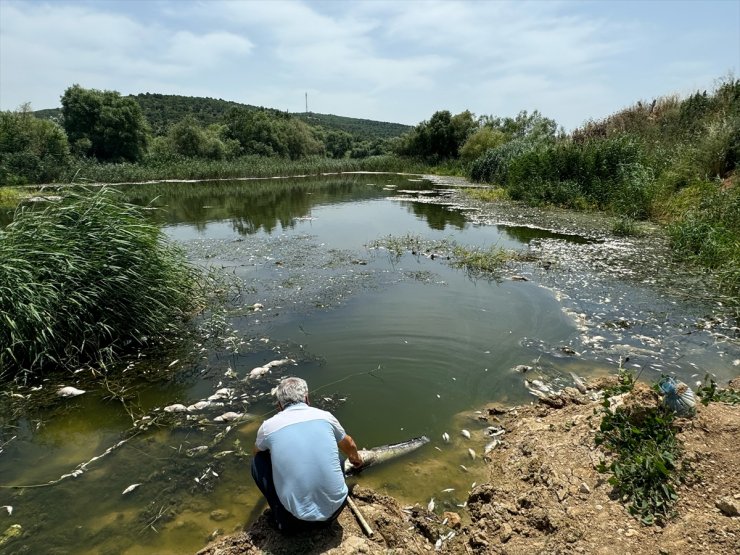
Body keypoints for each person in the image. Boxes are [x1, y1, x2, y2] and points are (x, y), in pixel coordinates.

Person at [251, 376, 363, 532]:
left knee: (257, 462)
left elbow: (257, 451)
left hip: (296, 522)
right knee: (338, 456)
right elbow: (349, 444)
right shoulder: (325, 416)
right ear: (307, 398)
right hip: (337, 509)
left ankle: (280, 517)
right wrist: (356, 459)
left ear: (279, 406)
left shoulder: (268, 427)